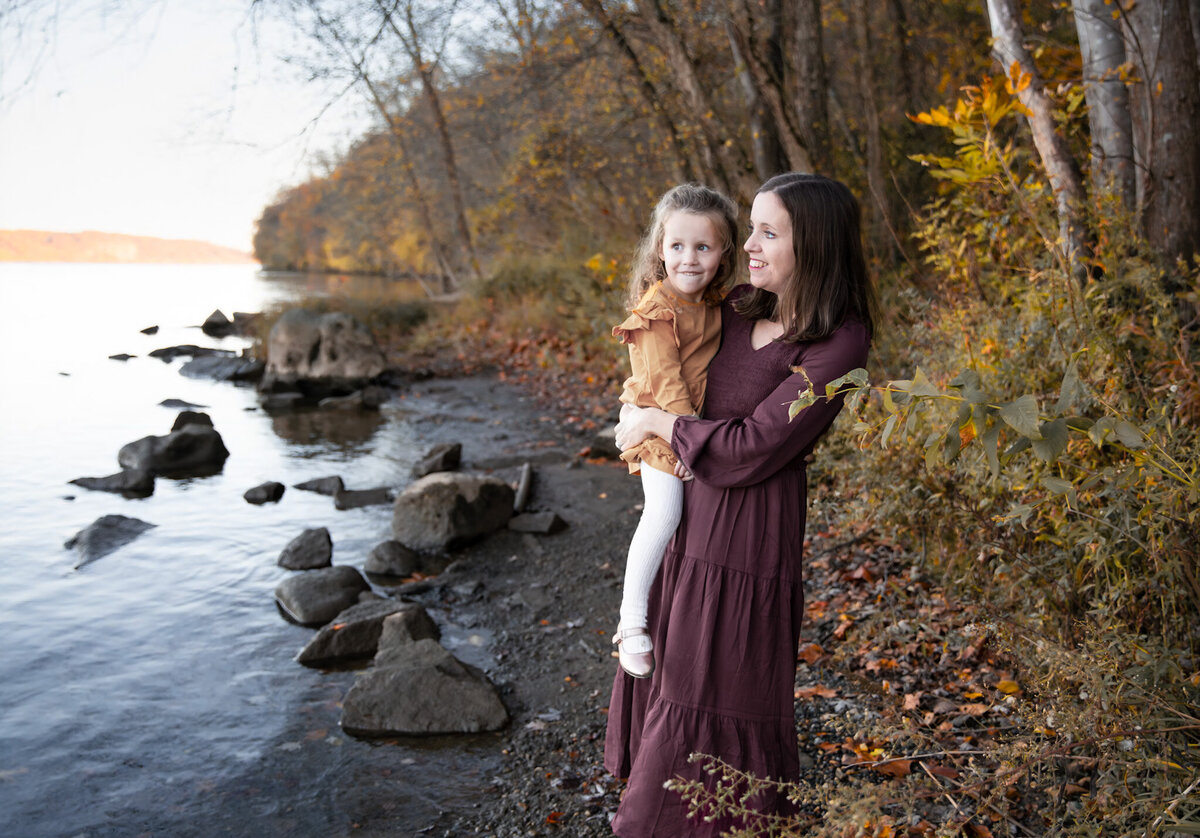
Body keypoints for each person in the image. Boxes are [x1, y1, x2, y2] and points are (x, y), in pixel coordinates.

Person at [604, 173, 875, 837]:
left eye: (766, 232)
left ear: (811, 245)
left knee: (718, 687)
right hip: (686, 521)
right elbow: (668, 337)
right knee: (671, 677)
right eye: (751, 228)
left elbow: (754, 447)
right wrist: (637, 399)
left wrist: (659, 426)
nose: (747, 245)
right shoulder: (740, 303)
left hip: (751, 534)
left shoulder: (840, 341)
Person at [610, 183, 740, 680]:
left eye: (703, 247)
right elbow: (665, 384)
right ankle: (631, 624)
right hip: (662, 422)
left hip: (687, 424)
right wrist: (688, 438)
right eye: (677, 247)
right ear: (659, 250)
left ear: (723, 253)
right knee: (663, 512)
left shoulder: (712, 302)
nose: (689, 259)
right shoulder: (656, 311)